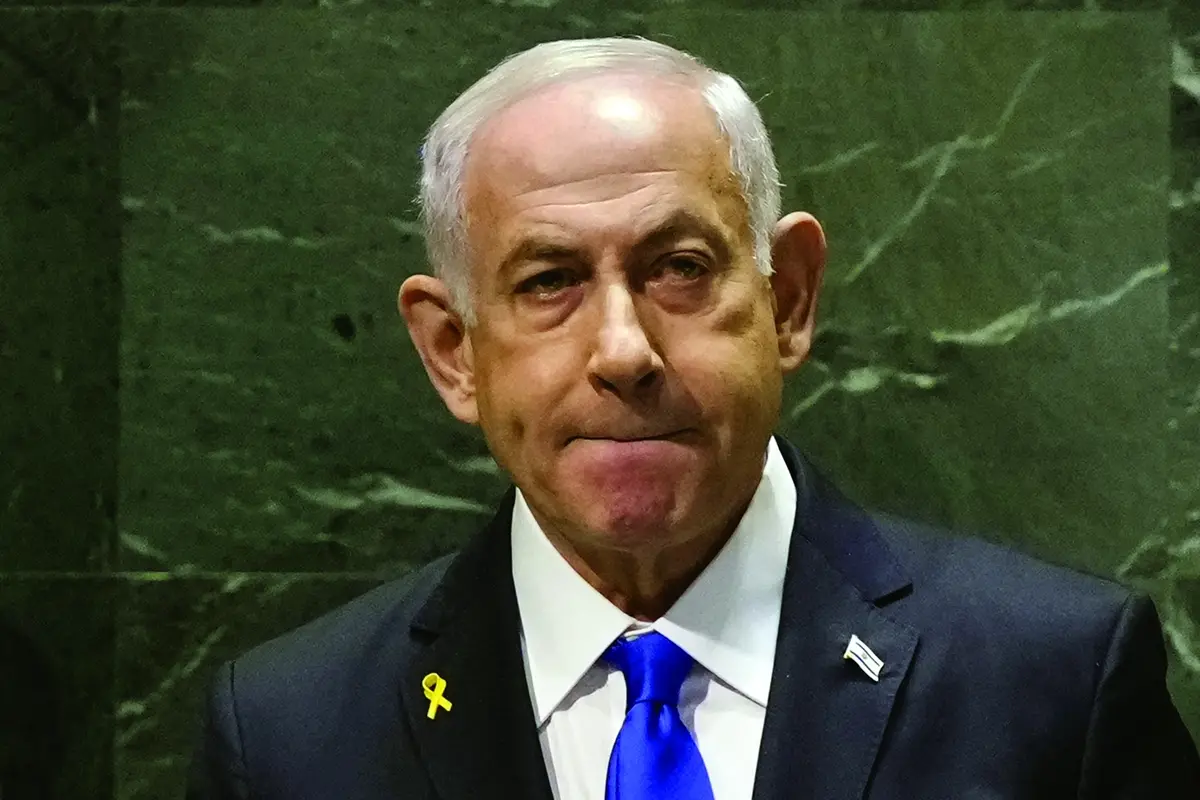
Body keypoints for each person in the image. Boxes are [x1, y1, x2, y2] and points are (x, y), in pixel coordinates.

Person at [186, 36, 1200, 799]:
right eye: (548, 280)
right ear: (455, 350)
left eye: (680, 267)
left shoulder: (1053, 680)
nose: (623, 348)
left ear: (789, 297)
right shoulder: (289, 733)